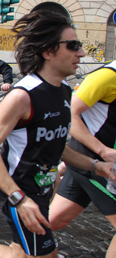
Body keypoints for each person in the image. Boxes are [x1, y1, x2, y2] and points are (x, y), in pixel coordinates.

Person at [0, 11, 114, 258]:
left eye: (79, 45)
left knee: (19, 253)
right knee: (43, 255)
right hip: (19, 191)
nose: (81, 53)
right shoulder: (23, 95)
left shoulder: (63, 92)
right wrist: (19, 198)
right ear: (48, 52)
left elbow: (56, 144)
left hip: (41, 191)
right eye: (73, 46)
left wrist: (96, 166)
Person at [48, 60, 116, 256]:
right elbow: (70, 113)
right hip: (94, 164)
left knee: (52, 221)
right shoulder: (107, 76)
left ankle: (18, 250)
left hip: (89, 164)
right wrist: (102, 151)